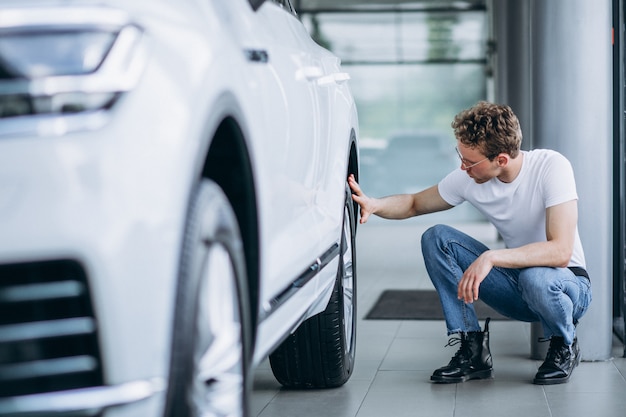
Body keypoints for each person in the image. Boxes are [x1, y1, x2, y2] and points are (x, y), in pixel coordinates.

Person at [348, 101, 592, 385]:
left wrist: (491, 258)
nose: (462, 167)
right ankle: (473, 351)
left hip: (568, 287)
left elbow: (561, 252)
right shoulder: (469, 178)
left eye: (470, 161)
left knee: (536, 277)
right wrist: (374, 204)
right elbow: (414, 203)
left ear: (500, 159)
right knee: (437, 237)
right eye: (460, 156)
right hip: (516, 287)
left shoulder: (551, 166)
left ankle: (564, 343)